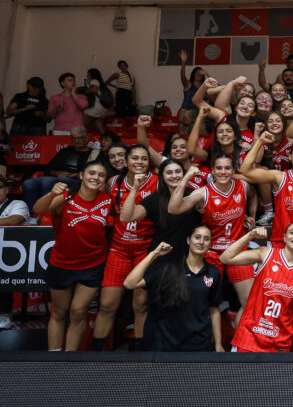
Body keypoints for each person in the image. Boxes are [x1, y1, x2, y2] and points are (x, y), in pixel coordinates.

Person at [33, 160, 111, 351]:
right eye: (91, 173)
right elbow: (38, 209)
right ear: (82, 176)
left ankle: (69, 358)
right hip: (62, 264)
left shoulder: (108, 200)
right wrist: (52, 193)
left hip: (93, 265)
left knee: (78, 311)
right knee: (59, 312)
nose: (96, 178)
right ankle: (54, 358)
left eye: (101, 175)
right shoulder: (65, 197)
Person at [168, 155, 255, 324]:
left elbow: (253, 196)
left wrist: (249, 215)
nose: (223, 172)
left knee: (250, 301)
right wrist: (186, 178)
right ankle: (205, 345)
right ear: (213, 171)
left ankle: (240, 345)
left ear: (233, 171)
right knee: (203, 305)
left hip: (237, 251)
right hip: (211, 252)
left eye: (227, 168)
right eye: (219, 168)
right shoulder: (203, 192)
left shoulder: (243, 186)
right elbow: (173, 208)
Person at [91, 145, 156, 350]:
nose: (139, 162)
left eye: (144, 159)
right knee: (107, 305)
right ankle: (96, 354)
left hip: (145, 249)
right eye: (134, 158)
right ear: (126, 162)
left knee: (140, 305)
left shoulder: (157, 182)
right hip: (119, 249)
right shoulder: (114, 182)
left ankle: (138, 353)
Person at [123, 229, 224, 352]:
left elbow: (214, 310)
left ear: (210, 244)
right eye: (197, 237)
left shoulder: (213, 273)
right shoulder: (169, 268)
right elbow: (130, 283)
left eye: (206, 239)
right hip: (167, 345)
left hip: (199, 345)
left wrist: (218, 344)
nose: (201, 242)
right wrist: (154, 254)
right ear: (188, 240)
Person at [220, 224, 293, 352]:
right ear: (284, 238)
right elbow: (225, 258)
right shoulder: (266, 253)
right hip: (249, 336)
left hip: (280, 340)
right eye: (292, 232)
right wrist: (250, 235)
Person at [239, 137, 293, 257]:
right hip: (280, 241)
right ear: (290, 156)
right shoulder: (280, 177)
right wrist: (260, 141)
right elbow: (245, 170)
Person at [119, 158, 200, 252]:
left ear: (184, 174)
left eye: (178, 171)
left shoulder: (194, 195)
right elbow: (126, 217)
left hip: (189, 255)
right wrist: (135, 188)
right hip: (162, 254)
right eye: (169, 173)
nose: (174, 176)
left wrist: (185, 179)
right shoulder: (155, 198)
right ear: (162, 176)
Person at [21, 125, 98, 220]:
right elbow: (49, 168)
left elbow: (94, 173)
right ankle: (32, 216)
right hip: (56, 177)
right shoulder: (65, 151)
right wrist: (57, 173)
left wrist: (76, 175)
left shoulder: (93, 153)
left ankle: (46, 216)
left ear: (86, 138)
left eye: (80, 138)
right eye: (74, 138)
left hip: (76, 180)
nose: (77, 141)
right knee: (28, 183)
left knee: (47, 182)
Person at [0, 177, 30, 328]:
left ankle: (4, 314)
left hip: (13, 255)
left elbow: (13, 221)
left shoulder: (17, 204)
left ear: (6, 189)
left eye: (0, 187)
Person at [178, 50, 207, 133]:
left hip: (199, 115)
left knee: (201, 135)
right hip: (187, 115)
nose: (199, 74)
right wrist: (183, 62)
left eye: (201, 73)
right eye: (197, 72)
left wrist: (207, 73)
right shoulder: (188, 85)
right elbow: (182, 76)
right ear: (193, 74)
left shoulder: (204, 88)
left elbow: (216, 86)